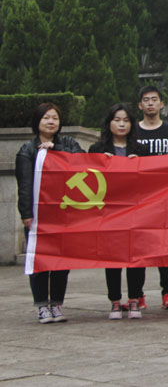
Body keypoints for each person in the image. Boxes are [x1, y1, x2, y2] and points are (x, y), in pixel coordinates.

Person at [15, 103, 84, 324]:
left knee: (62, 262)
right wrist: (26, 214)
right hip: (38, 215)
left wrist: (56, 150)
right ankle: (41, 306)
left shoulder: (68, 144)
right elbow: (24, 185)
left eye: (54, 118)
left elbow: (83, 161)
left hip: (64, 215)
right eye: (46, 118)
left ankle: (56, 303)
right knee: (39, 262)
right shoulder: (27, 149)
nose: (51, 122)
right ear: (37, 122)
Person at [88, 104, 150, 320]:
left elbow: (151, 181)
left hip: (135, 211)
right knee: (112, 257)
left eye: (126, 120)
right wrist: (100, 164)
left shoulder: (140, 150)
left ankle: (134, 299)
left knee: (136, 258)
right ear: (109, 123)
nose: (121, 124)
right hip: (109, 213)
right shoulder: (97, 150)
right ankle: (115, 301)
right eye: (117, 120)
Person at [135, 85, 168, 310]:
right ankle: (137, 295)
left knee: (166, 250)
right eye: (146, 100)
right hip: (139, 200)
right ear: (140, 105)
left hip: (166, 199)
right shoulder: (133, 132)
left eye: (154, 99)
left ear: (162, 104)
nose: (150, 103)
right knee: (138, 249)